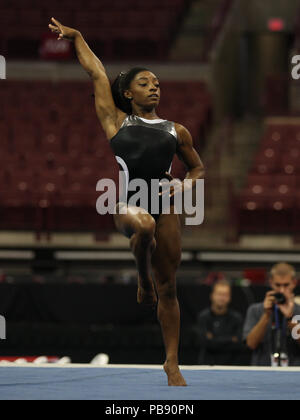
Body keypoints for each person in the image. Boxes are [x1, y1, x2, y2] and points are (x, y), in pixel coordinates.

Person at [48, 18, 205, 386]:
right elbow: (97, 73)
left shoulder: (175, 130)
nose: (154, 88)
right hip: (127, 204)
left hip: (164, 206)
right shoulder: (115, 122)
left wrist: (184, 186)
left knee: (170, 288)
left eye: (157, 84)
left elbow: (198, 168)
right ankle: (141, 278)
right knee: (144, 226)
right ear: (129, 93)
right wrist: (78, 37)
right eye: (145, 83)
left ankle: (171, 363)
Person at [243, 262, 300, 366]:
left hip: (294, 371)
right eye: (278, 285)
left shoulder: (298, 311)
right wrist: (266, 315)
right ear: (271, 283)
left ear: (294, 283)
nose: (282, 290)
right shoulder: (255, 310)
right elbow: (251, 344)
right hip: (262, 370)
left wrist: (290, 318)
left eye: (286, 285)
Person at [195, 280, 244, 365]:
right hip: (207, 366)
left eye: (225, 295)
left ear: (230, 297)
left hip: (231, 366)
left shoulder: (237, 318)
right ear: (212, 295)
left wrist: (213, 338)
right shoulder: (203, 317)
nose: (222, 298)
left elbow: (239, 344)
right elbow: (205, 343)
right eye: (219, 294)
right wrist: (231, 339)